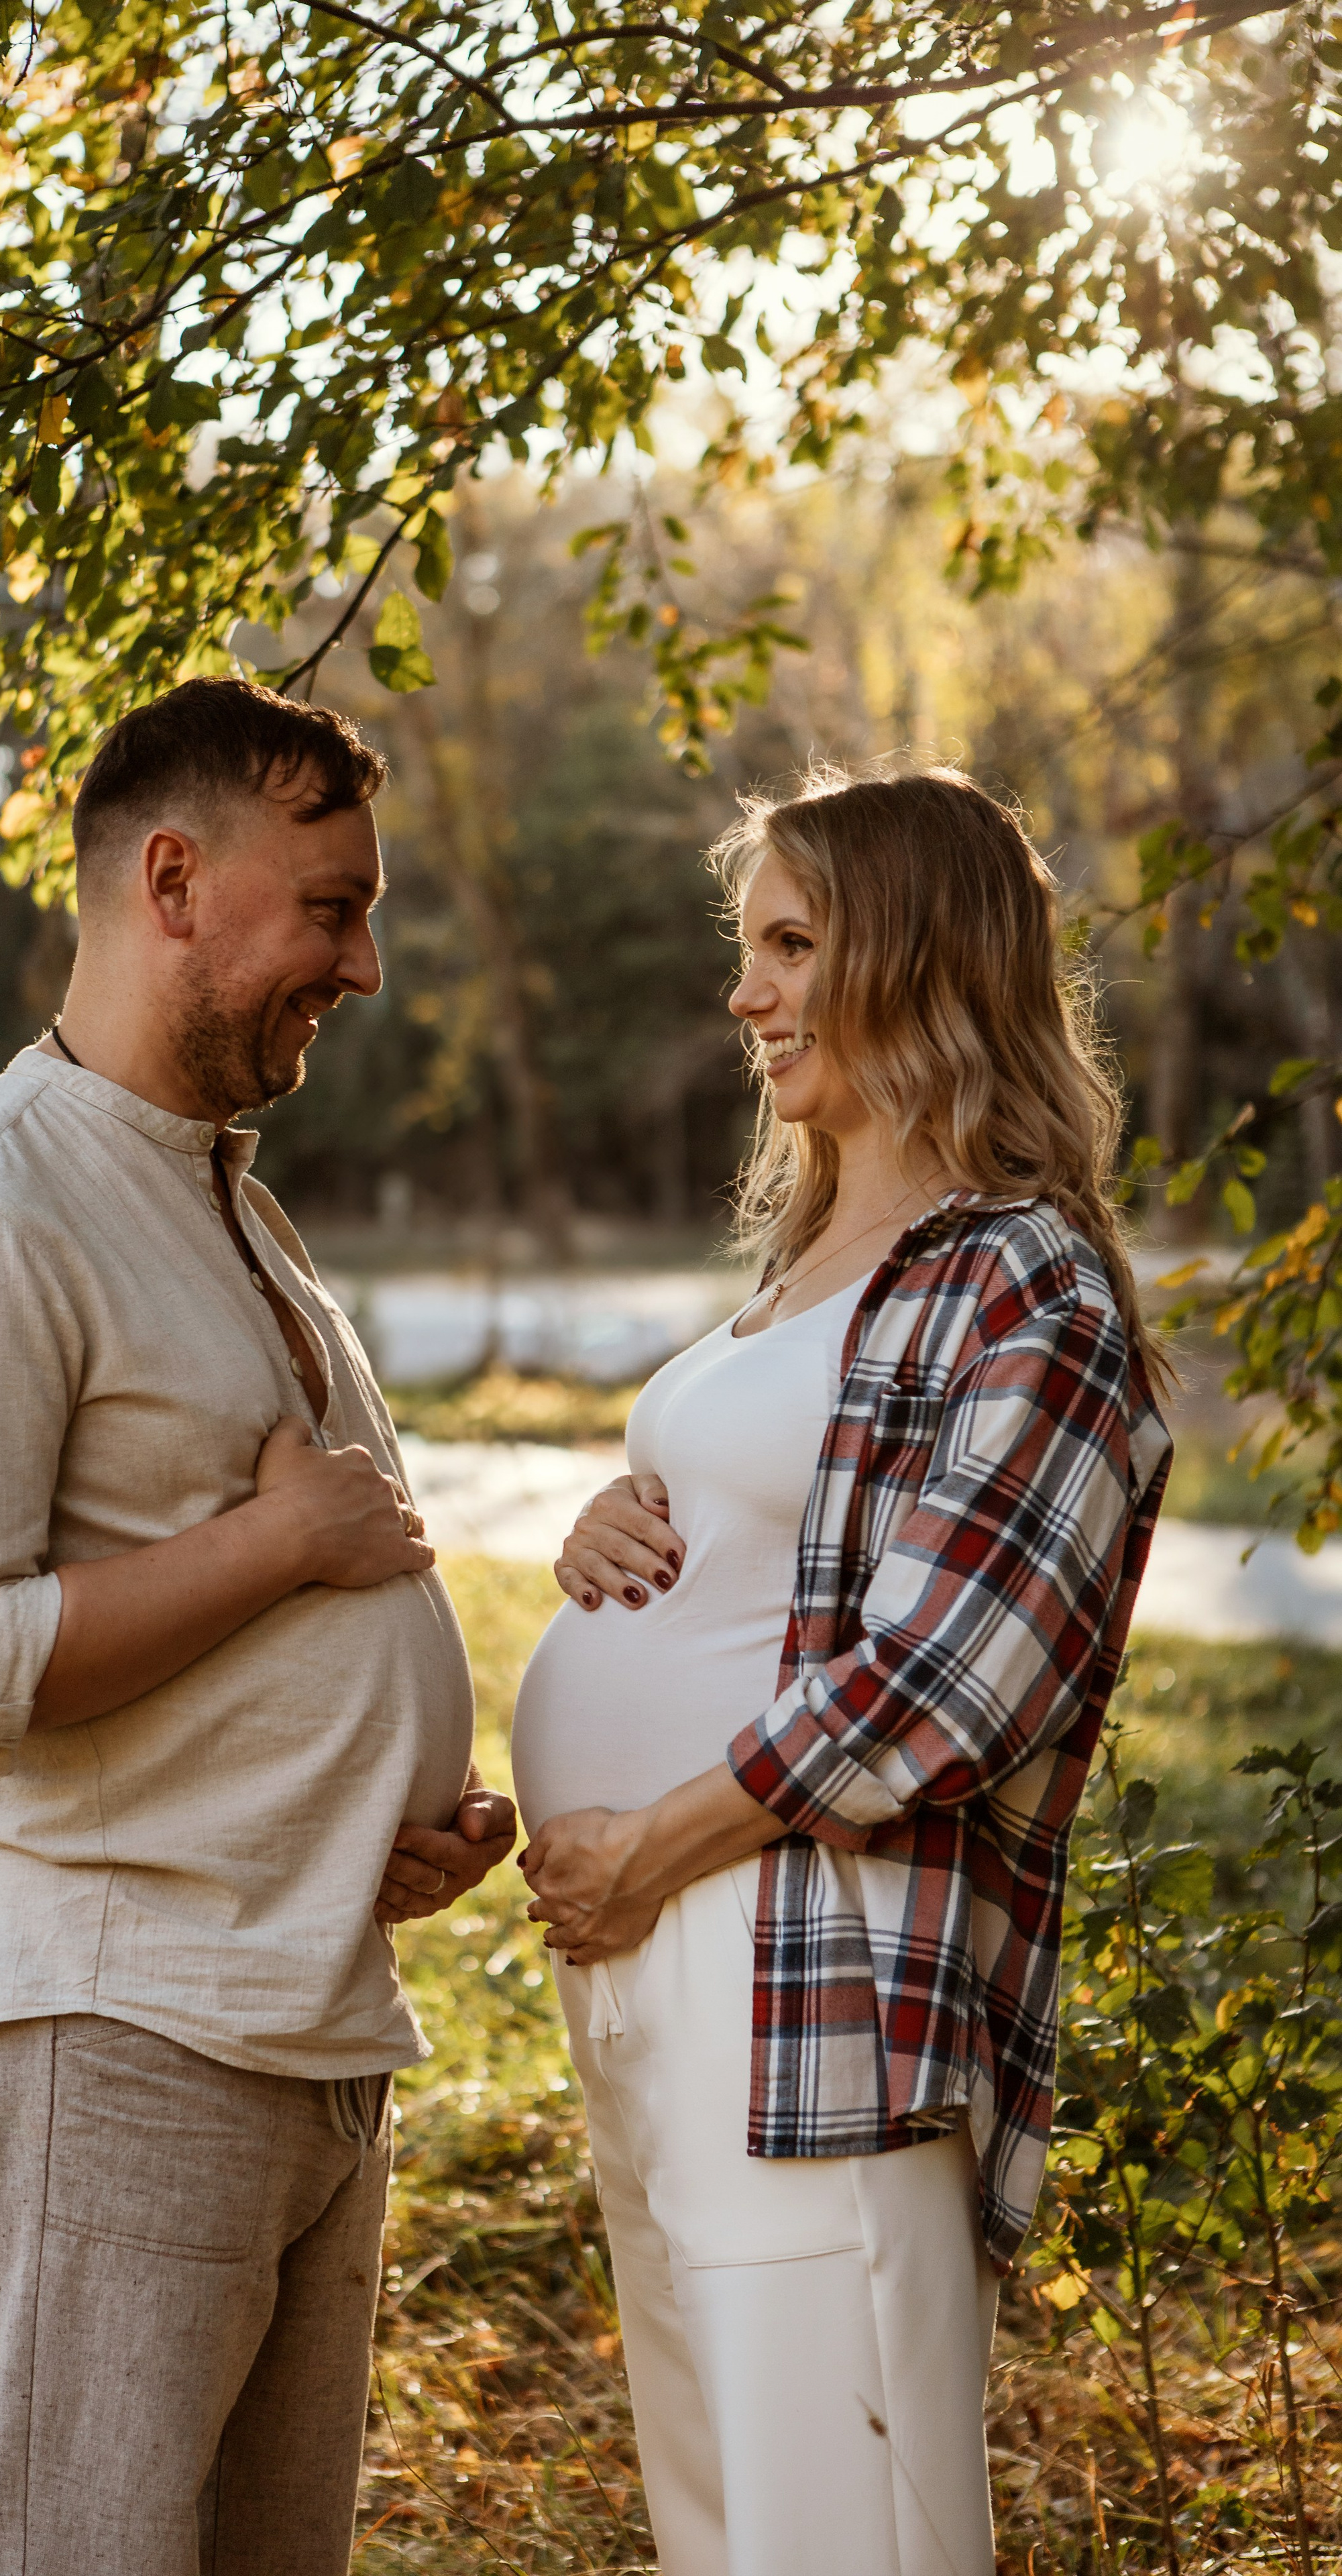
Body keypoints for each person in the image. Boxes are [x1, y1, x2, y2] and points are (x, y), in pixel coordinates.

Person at [0, 677, 516, 2576]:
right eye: (333, 906)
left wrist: (361, 1828)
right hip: (112, 2034)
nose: (363, 965)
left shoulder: (231, 1202)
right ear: (174, 879)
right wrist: (284, 1545)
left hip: (291, 2022)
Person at [512, 767, 1172, 2576]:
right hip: (657, 1956)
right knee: (719, 2512)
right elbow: (777, 1548)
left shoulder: (1028, 1286)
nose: (748, 996)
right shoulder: (801, 1269)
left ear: (918, 955)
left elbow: (951, 1681)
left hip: (811, 1969)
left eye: (793, 946)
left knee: (836, 2527)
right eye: (750, 953)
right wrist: (613, 1534)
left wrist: (653, 1839)